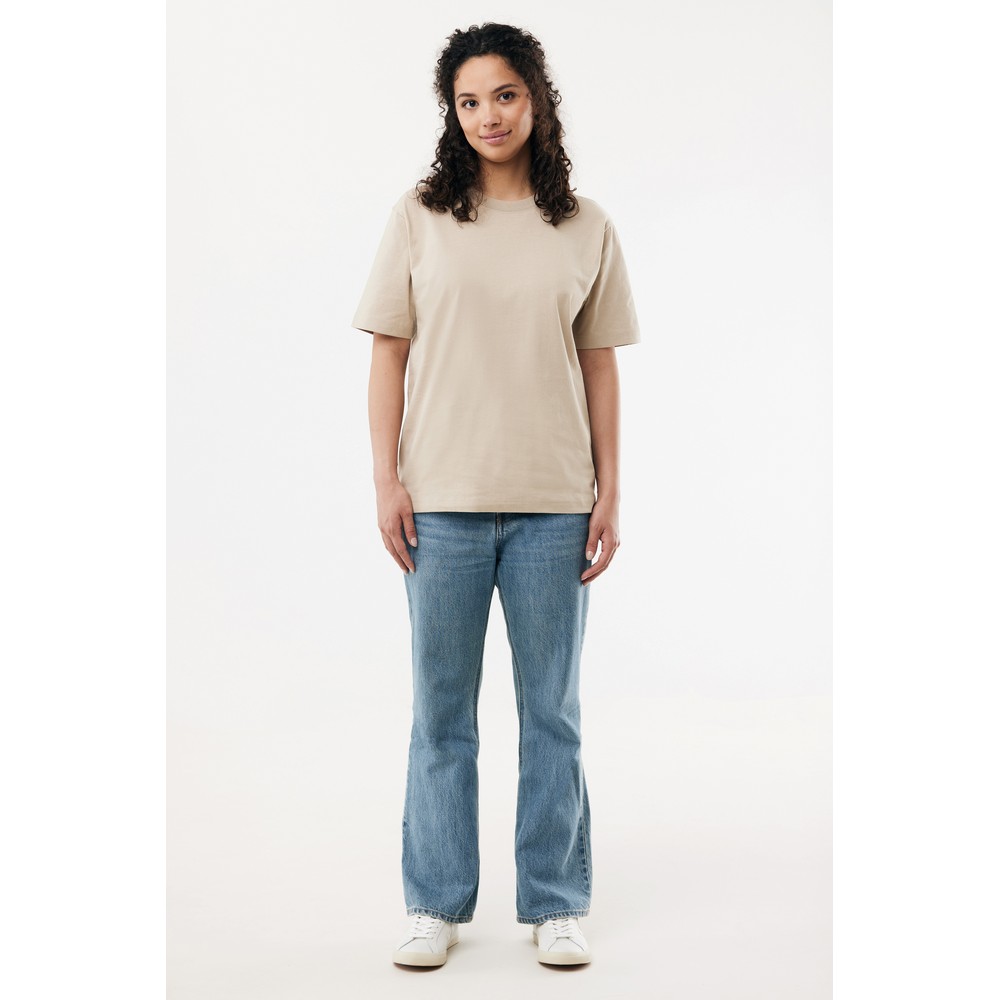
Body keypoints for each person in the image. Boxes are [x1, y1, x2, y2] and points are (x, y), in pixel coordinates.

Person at [350, 22, 641, 969]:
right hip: (440, 504)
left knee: (551, 712)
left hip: (556, 505)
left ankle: (555, 901)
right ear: (453, 112)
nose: (488, 116)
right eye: (469, 101)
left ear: (536, 99)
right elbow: (388, 353)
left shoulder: (585, 226)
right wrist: (387, 480)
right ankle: (434, 903)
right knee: (442, 713)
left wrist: (609, 489)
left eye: (504, 95)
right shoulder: (420, 216)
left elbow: (600, 366)